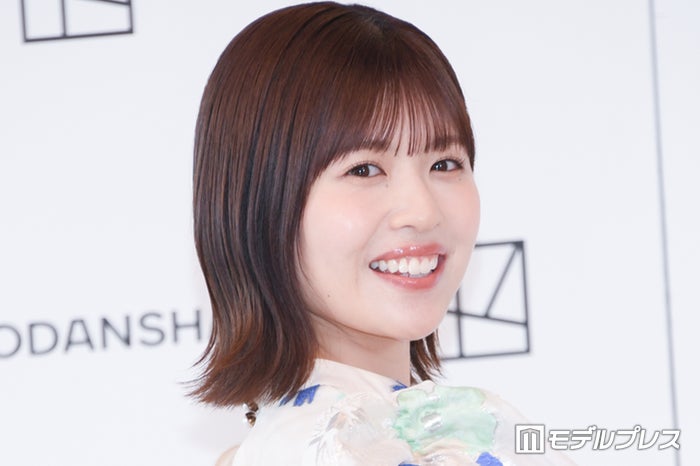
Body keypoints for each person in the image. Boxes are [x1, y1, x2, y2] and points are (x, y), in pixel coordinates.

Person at [193, 2, 575, 465]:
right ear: (261, 202)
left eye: (444, 163)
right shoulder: (327, 450)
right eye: (364, 170)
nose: (422, 211)